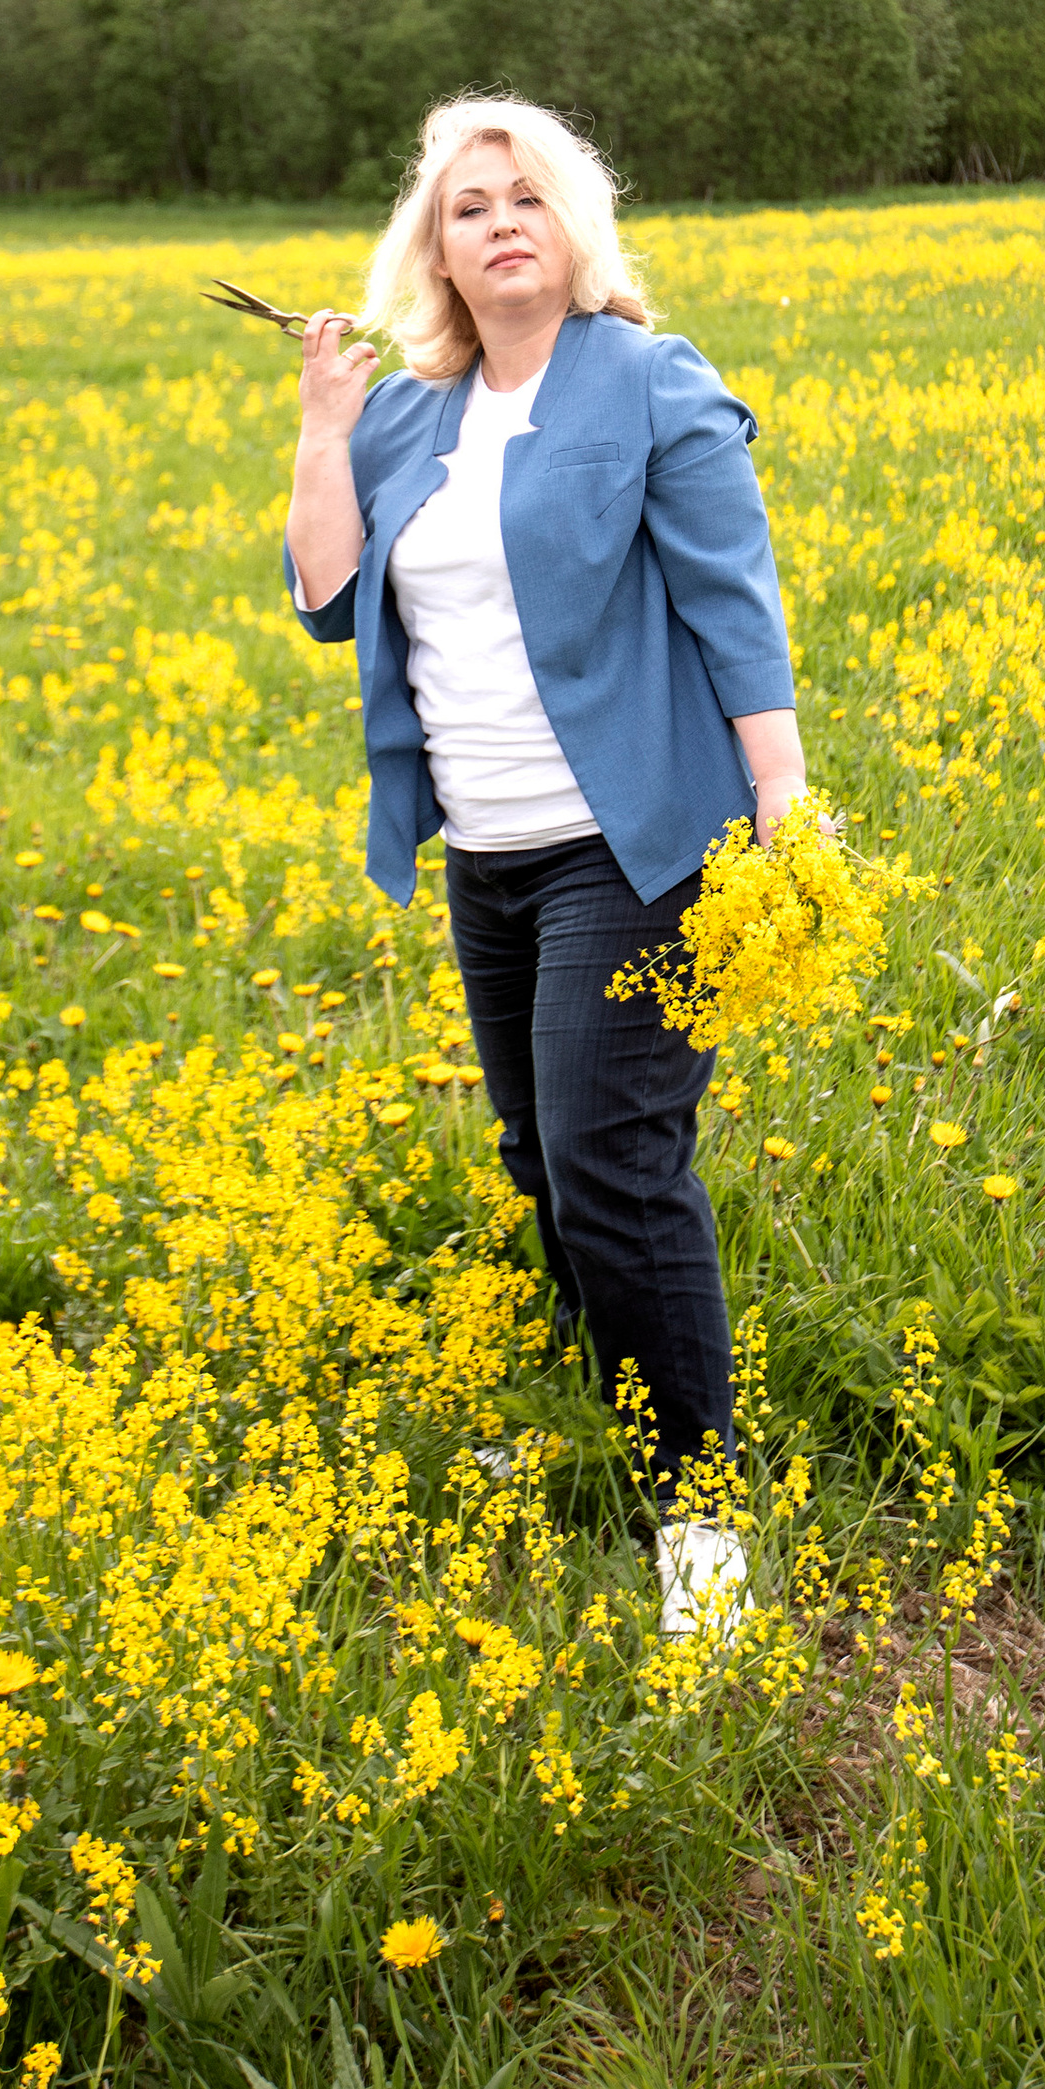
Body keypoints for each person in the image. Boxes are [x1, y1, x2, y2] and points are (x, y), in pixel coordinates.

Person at [283, 92, 807, 1636]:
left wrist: (781, 791)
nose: (499, 221)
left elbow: (734, 597)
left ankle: (699, 1525)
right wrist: (322, 425)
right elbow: (324, 594)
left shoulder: (647, 381)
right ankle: (624, 1410)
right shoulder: (404, 420)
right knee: (540, 1160)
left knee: (611, 1168)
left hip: (635, 845)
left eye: (526, 197)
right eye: (467, 206)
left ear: (572, 225)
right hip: (491, 859)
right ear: (434, 253)